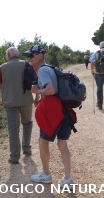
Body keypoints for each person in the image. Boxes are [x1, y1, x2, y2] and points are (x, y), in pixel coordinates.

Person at [23, 45, 74, 189]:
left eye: (32, 55)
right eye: (29, 56)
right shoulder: (50, 68)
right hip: (64, 109)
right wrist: (38, 94)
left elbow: (50, 90)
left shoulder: (43, 70)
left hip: (52, 111)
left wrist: (36, 90)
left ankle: (46, 175)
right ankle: (67, 179)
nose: (29, 58)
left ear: (40, 55)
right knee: (62, 143)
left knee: (42, 141)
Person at [0, 47, 35, 164]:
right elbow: (35, 81)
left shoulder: (3, 67)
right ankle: (27, 149)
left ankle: (14, 157)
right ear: (18, 55)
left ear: (8, 55)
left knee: (13, 129)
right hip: (26, 100)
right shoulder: (27, 64)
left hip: (10, 103)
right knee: (27, 124)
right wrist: (37, 97)